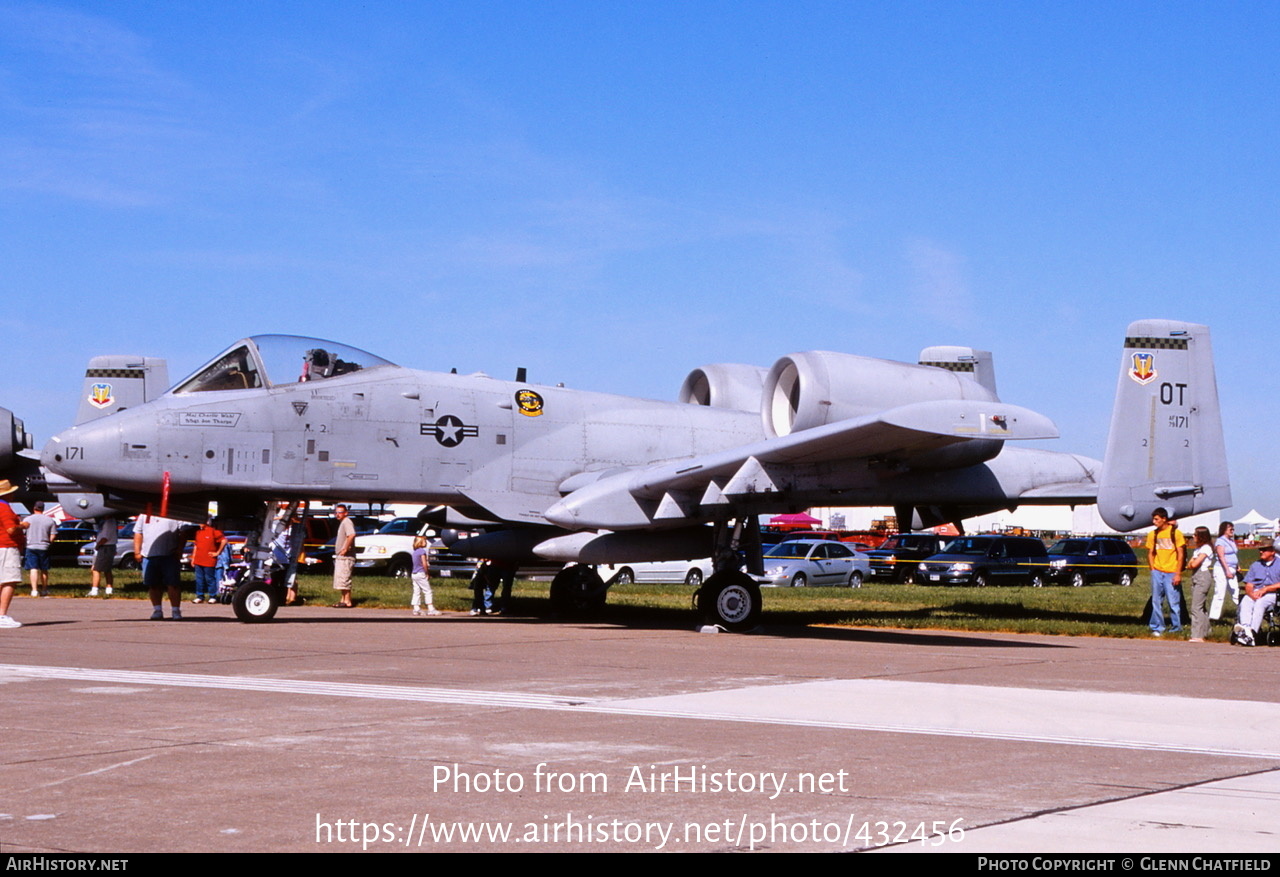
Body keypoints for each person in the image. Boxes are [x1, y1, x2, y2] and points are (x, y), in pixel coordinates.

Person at [134, 513, 187, 620]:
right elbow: (138, 533)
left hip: (169, 555)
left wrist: (180, 549)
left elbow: (183, 532)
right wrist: (137, 552)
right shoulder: (144, 515)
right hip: (149, 556)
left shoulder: (174, 513)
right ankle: (157, 610)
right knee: (153, 585)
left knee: (173, 584)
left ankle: (176, 611)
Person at [1145, 507, 1185, 637]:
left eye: (1156, 519)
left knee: (1173, 601)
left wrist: (1178, 573)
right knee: (1156, 600)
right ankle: (1157, 626)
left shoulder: (1176, 533)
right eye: (1153, 519)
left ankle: (1176, 627)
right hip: (1157, 571)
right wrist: (1153, 568)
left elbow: (1181, 554)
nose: (1154, 521)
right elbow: (1150, 552)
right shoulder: (1153, 534)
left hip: (1171, 571)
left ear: (1164, 519)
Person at [1235, 541, 1280, 646]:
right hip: (1256, 592)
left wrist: (1266, 589)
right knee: (1246, 600)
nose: (1261, 552)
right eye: (1260, 550)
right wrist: (1251, 594)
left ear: (1272, 552)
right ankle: (1245, 629)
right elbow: (1249, 585)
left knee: (1260, 603)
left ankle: (1252, 632)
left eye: (1264, 550)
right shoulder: (1255, 565)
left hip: (1273, 594)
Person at [0, 480, 25, 628]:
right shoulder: (5, 508)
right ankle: (2, 615)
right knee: (10, 580)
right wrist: (22, 525)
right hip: (7, 547)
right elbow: (11, 529)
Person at [1186, 526, 1215, 642]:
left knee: (1196, 607)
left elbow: (1194, 564)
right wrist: (1192, 562)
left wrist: (1193, 562)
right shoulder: (1198, 549)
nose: (1193, 537)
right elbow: (1189, 564)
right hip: (1195, 577)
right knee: (1201, 607)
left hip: (1203, 577)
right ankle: (1207, 631)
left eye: (1195, 535)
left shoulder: (1206, 548)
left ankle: (1197, 634)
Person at [23, 502, 57, 598]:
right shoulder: (50, 520)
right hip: (44, 546)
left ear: (34, 508)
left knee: (33, 569)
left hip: (31, 546)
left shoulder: (27, 519)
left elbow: (23, 533)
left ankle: (34, 590)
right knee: (44, 569)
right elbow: (53, 535)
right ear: (43, 509)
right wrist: (49, 542)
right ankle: (44, 589)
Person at [190, 519, 226, 604]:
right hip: (198, 560)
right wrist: (193, 558)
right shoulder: (198, 532)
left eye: (201, 521)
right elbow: (196, 546)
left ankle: (212, 596)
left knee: (210, 578)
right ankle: (200, 596)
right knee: (199, 579)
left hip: (209, 560)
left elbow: (224, 541)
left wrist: (217, 552)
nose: (200, 524)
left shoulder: (213, 531)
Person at [1209, 521, 1239, 620]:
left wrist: (1237, 565)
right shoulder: (1220, 541)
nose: (1232, 531)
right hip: (1222, 569)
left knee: (1236, 591)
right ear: (1224, 530)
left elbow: (1233, 554)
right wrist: (1227, 570)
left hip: (1232, 568)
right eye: (1230, 529)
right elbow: (1221, 557)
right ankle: (1214, 616)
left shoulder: (1231, 541)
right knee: (1220, 592)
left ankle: (1242, 611)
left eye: (1233, 529)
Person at [331, 504, 355, 608]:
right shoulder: (342, 523)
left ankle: (347, 601)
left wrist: (345, 548)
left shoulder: (347, 521)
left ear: (346, 513)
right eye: (336, 512)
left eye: (340, 512)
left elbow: (352, 534)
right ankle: (343, 599)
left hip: (346, 556)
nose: (337, 514)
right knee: (341, 579)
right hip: (341, 556)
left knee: (345, 578)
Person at [410, 535, 440, 616]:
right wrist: (427, 573)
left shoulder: (415, 552)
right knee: (427, 591)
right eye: (424, 541)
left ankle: (416, 608)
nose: (426, 543)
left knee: (416, 591)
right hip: (420, 573)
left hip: (414, 573)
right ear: (420, 542)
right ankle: (431, 609)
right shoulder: (422, 551)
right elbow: (424, 563)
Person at [87, 515, 117, 597]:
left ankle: (94, 590)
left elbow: (105, 537)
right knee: (107, 569)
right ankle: (109, 589)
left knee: (96, 569)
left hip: (105, 547)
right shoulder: (112, 522)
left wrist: (98, 545)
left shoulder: (108, 523)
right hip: (110, 546)